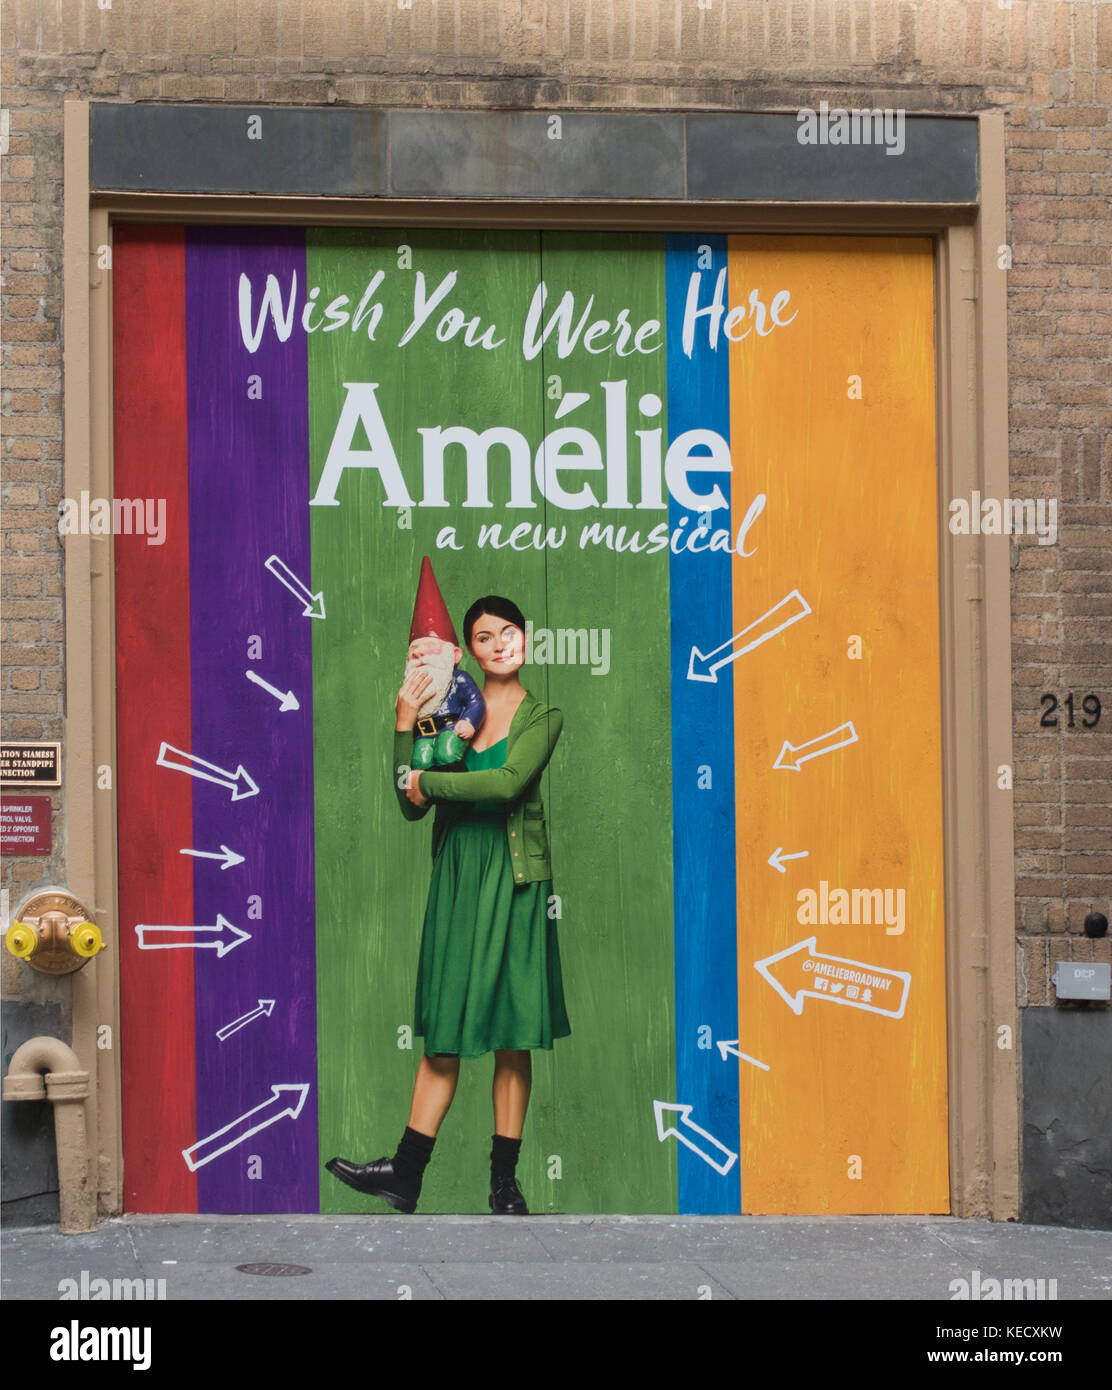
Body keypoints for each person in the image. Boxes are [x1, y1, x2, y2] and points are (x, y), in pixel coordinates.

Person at [326, 595, 570, 1215]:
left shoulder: (543, 714)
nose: (498, 644)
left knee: (513, 1036)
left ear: (525, 639)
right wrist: (405, 725)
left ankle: (503, 1183)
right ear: (468, 650)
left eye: (508, 632)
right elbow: (409, 805)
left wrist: (427, 780)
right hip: (460, 874)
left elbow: (506, 782)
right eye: (484, 636)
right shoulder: (446, 708)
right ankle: (405, 1175)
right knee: (444, 1032)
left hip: (515, 878)